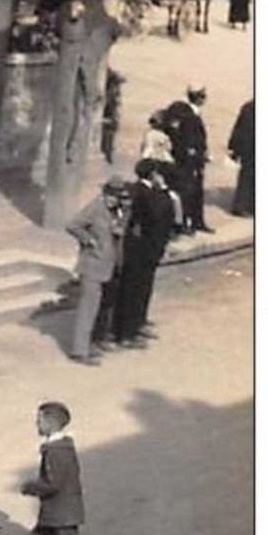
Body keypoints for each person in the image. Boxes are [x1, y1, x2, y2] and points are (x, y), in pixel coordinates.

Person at [20, 400, 93, 535]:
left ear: (51, 424)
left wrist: (30, 487)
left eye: (39, 420)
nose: (36, 424)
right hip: (55, 513)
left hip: (63, 515)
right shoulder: (58, 446)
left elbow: (53, 484)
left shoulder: (56, 451)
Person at [64, 177, 129, 365]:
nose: (115, 200)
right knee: (88, 309)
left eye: (118, 197)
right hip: (92, 264)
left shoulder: (115, 211)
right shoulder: (94, 208)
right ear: (105, 194)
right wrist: (88, 240)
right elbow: (72, 225)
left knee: (100, 307)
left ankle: (93, 342)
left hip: (108, 265)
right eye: (113, 196)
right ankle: (79, 351)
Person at [114, 160, 174, 347]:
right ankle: (126, 332)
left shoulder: (145, 191)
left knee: (142, 288)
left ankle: (137, 324)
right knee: (134, 289)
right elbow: (157, 214)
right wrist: (164, 190)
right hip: (140, 250)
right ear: (153, 174)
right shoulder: (145, 193)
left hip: (145, 249)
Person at [164, 87, 212, 234]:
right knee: (187, 191)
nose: (205, 99)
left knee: (197, 191)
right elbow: (182, 137)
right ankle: (186, 223)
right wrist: (189, 153)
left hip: (197, 159)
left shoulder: (193, 113)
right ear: (198, 98)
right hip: (187, 160)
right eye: (203, 96)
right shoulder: (186, 113)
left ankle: (197, 222)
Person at [228, 99, 254, 217]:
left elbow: (237, 128)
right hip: (250, 149)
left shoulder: (248, 107)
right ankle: (241, 206)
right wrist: (234, 148)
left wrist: (233, 147)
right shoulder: (250, 108)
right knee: (247, 177)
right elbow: (241, 129)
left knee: (248, 177)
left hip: (247, 148)